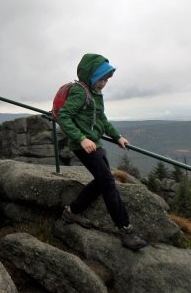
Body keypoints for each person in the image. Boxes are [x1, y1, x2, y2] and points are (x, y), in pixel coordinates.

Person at [57, 53, 148, 250]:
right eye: (100, 78)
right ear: (90, 75)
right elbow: (64, 116)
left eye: (106, 79)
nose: (103, 83)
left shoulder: (95, 94)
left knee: (102, 181)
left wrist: (117, 137)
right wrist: (81, 139)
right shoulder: (81, 92)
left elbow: (102, 120)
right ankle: (125, 229)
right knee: (108, 182)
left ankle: (72, 211)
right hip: (85, 146)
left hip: (95, 144)